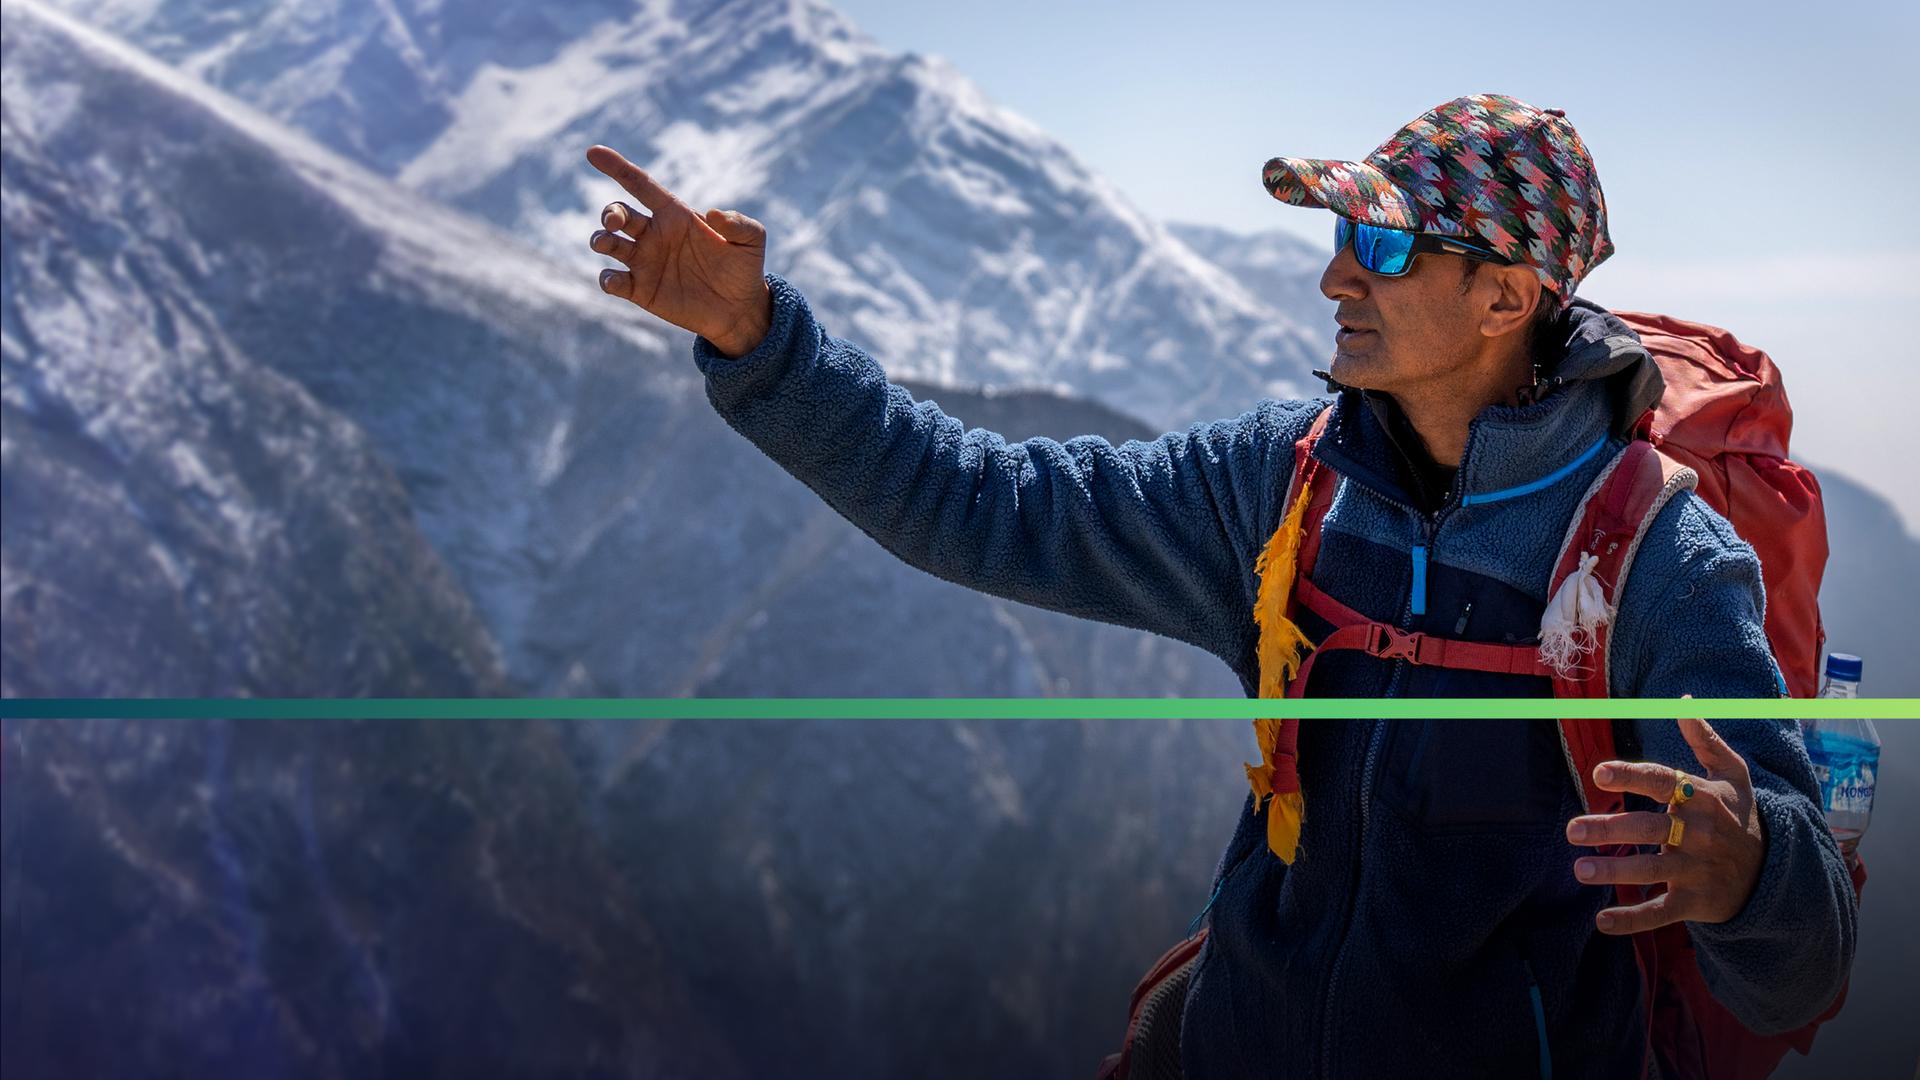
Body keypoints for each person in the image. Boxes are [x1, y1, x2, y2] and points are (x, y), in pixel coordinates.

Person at [581, 93, 1856, 1077]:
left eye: (1380, 242)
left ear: (1505, 297)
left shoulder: (1663, 567)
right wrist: (762, 347)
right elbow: (986, 507)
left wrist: (1748, 874)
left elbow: (1798, 974)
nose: (1333, 275)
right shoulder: (1284, 487)